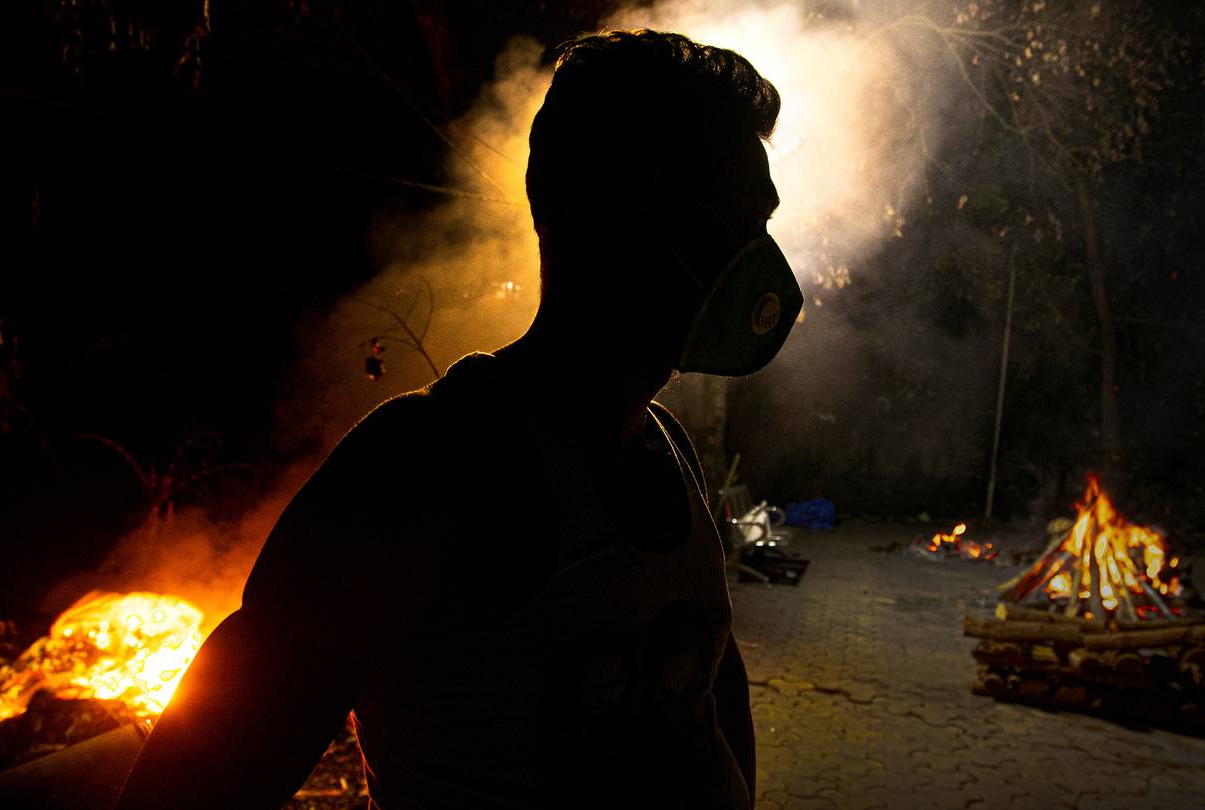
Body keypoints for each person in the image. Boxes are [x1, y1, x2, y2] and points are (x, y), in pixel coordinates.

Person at [116, 29, 801, 810]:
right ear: (612, 213)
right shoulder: (423, 471)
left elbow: (711, 692)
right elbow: (201, 773)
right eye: (736, 220)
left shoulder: (668, 448)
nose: (760, 258)